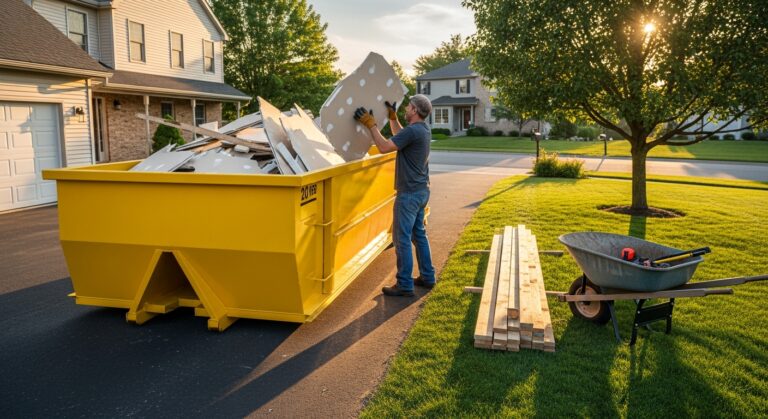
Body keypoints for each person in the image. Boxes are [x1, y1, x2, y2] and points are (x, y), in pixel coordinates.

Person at [353, 94, 436, 297]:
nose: (406, 109)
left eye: (408, 107)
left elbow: (384, 147)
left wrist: (371, 125)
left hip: (408, 195)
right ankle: (427, 276)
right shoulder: (421, 130)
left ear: (415, 110)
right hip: (422, 191)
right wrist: (392, 118)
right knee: (419, 235)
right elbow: (400, 136)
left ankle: (404, 284)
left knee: (402, 239)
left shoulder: (414, 131)